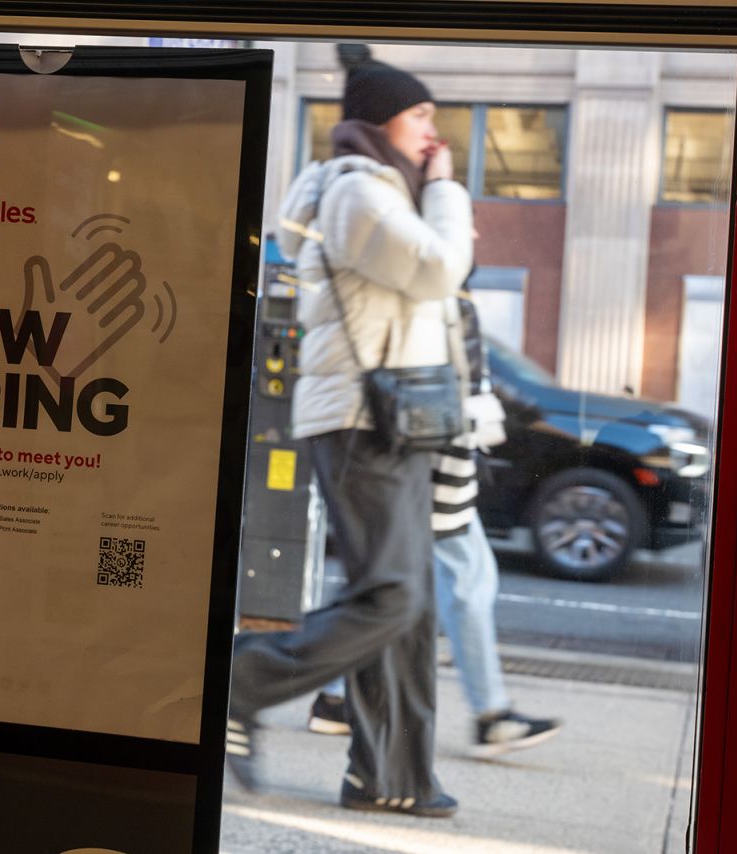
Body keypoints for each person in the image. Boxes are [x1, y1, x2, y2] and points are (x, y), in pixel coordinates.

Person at [226, 55, 471, 818]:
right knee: (393, 597)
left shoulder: (386, 188)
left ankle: (390, 776)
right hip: (364, 422)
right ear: (382, 121)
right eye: (421, 116)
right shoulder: (361, 191)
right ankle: (240, 681)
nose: (434, 131)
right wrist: (449, 191)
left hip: (396, 418)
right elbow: (438, 272)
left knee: (409, 606)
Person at [308, 294, 563, 758]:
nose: (473, 233)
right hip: (436, 468)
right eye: (467, 223)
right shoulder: (437, 295)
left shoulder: (446, 297)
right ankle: (490, 716)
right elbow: (439, 387)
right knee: (451, 587)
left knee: (404, 587)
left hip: (442, 465)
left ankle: (334, 698)